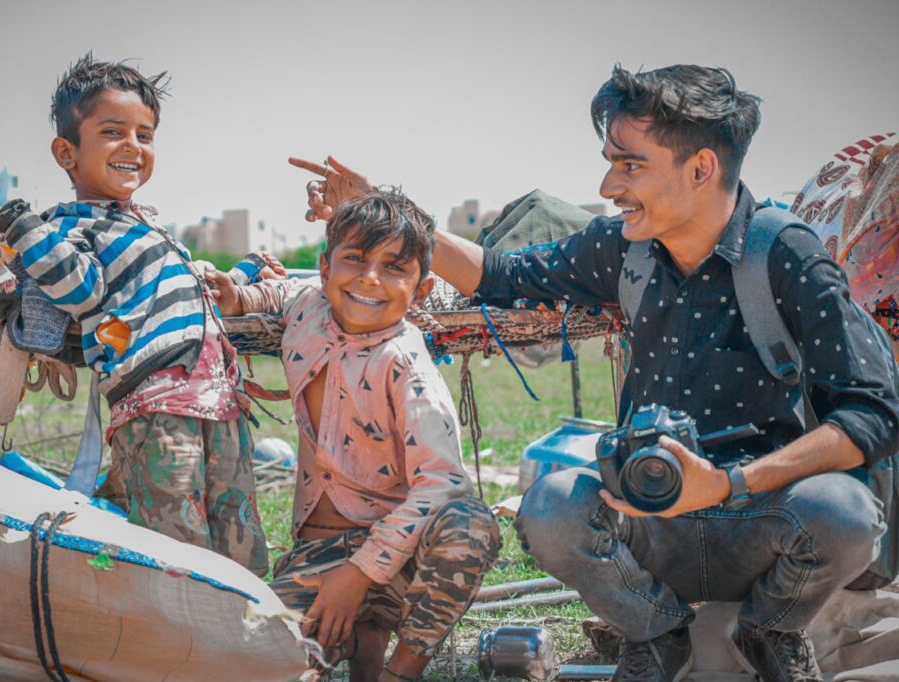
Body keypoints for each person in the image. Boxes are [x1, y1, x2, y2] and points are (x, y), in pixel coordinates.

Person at [291, 64, 899, 682]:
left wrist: (726, 483)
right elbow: (501, 275)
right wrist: (391, 214)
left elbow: (870, 414)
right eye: (610, 162)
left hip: (762, 519)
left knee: (845, 511)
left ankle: (772, 630)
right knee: (550, 504)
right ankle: (657, 633)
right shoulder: (622, 249)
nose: (610, 185)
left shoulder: (787, 255)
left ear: (701, 169)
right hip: (648, 523)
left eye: (630, 165)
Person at [0, 54, 272, 576]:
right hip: (155, 404)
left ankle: (241, 636)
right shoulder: (69, 228)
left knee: (236, 536)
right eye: (113, 131)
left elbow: (183, 288)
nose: (133, 146)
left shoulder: (143, 227)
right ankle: (179, 643)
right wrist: (15, 222)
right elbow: (80, 290)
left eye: (145, 135)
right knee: (178, 547)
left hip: (219, 401)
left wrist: (247, 271)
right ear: (67, 153)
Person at [207, 188, 501, 682]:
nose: (369, 278)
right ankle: (358, 639)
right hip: (315, 556)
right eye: (355, 259)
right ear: (324, 269)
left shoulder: (408, 370)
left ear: (421, 290)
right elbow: (280, 293)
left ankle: (398, 672)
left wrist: (359, 573)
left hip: (399, 559)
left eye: (393, 267)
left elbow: (444, 484)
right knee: (251, 655)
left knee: (470, 525)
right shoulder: (309, 306)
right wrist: (239, 296)